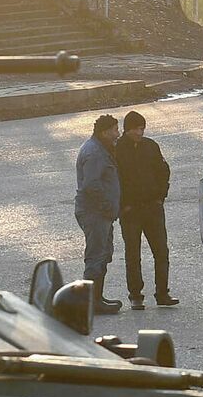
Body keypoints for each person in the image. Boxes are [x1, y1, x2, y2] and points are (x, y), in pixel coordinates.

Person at [116, 110, 178, 310]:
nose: (139, 133)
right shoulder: (117, 150)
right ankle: (135, 295)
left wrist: (160, 197)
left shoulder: (151, 146)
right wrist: (122, 205)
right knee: (133, 254)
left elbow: (163, 171)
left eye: (142, 129)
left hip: (153, 208)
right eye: (135, 129)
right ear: (126, 129)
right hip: (130, 211)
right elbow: (113, 180)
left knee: (161, 252)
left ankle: (162, 293)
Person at [75, 114, 123, 314]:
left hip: (101, 213)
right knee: (95, 257)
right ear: (104, 132)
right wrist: (106, 206)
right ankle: (92, 303)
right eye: (114, 130)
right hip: (95, 213)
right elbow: (91, 185)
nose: (117, 134)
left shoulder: (100, 148)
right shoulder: (95, 153)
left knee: (103, 254)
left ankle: (97, 298)